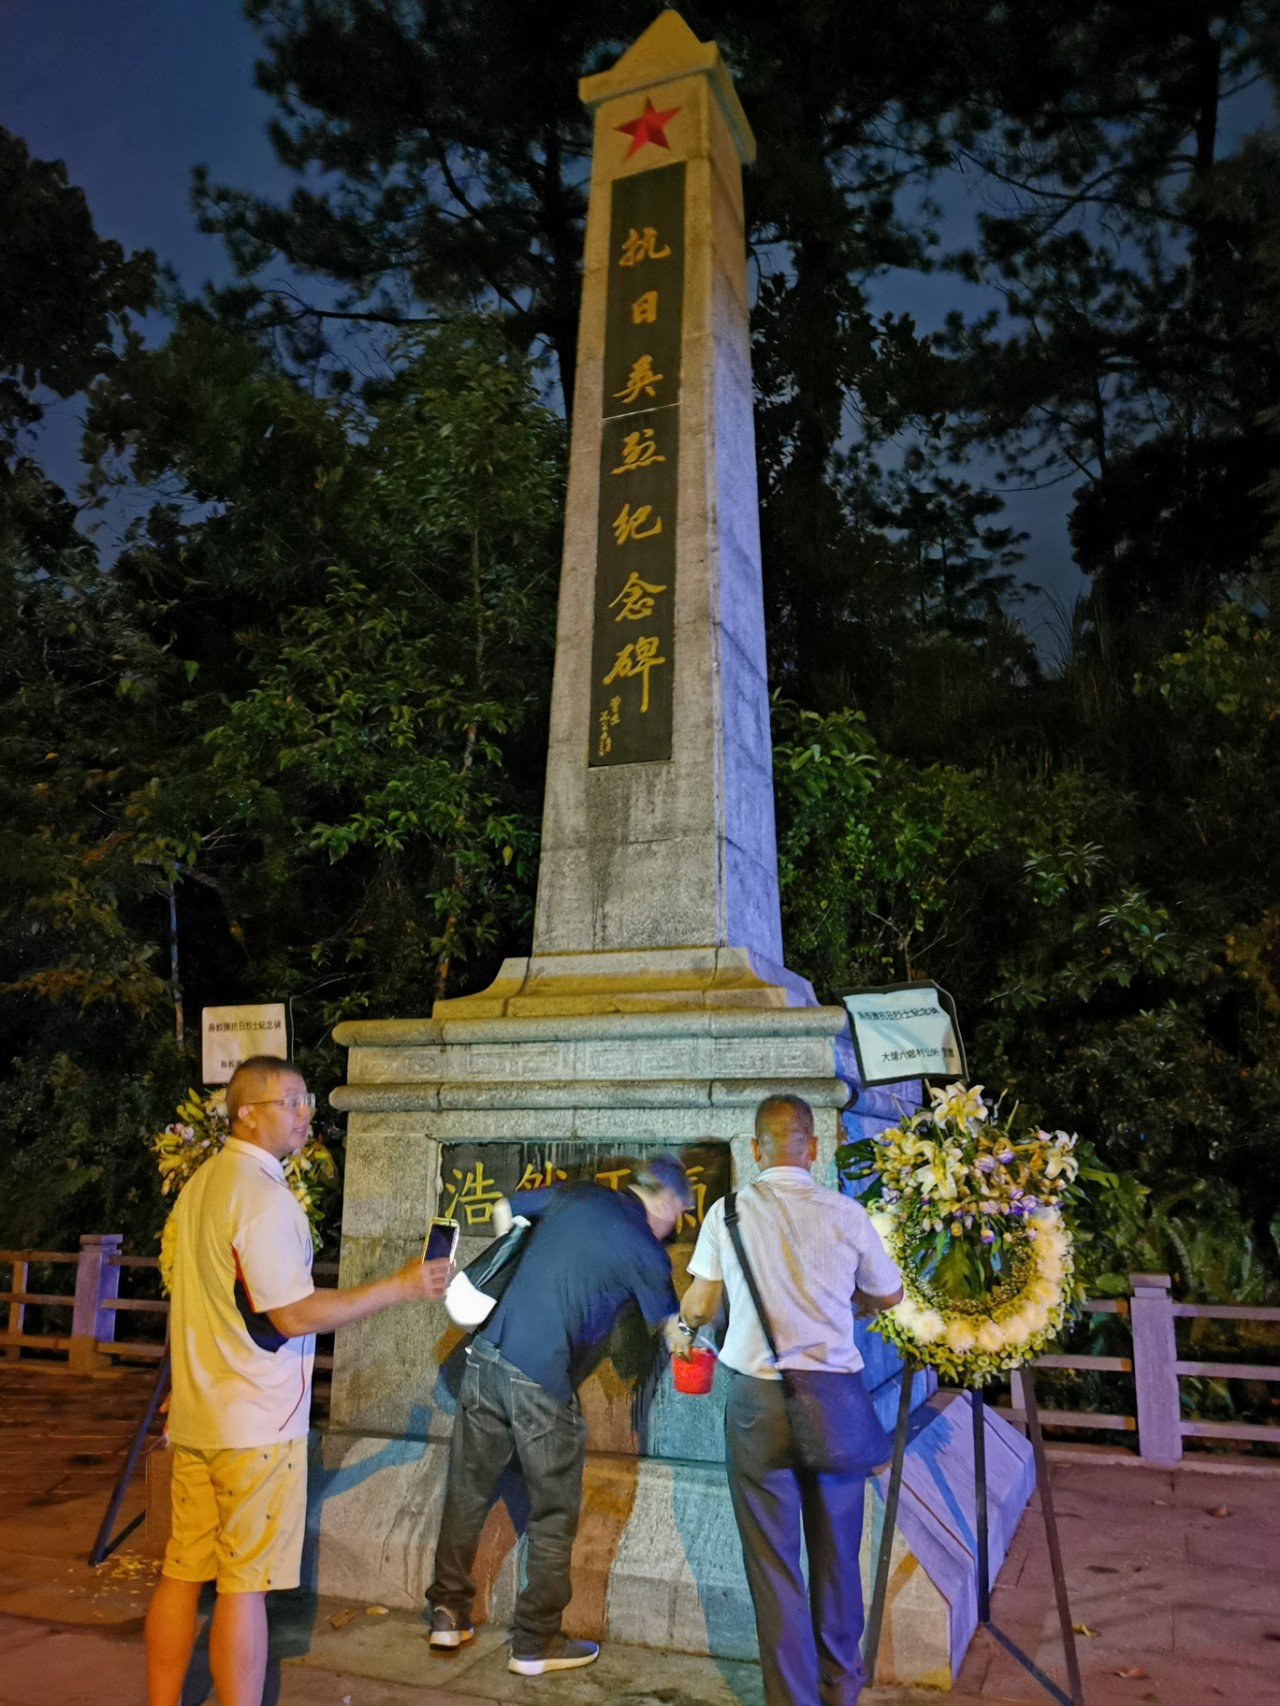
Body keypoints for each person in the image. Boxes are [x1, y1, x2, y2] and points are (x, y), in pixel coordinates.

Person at [145, 1055, 452, 1706]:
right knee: (242, 1586)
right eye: (290, 1101)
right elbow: (291, 1313)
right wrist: (399, 1285)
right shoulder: (262, 1197)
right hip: (256, 1423)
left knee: (180, 1571)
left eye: (306, 1099)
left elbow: (199, 1299)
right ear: (248, 1113)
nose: (305, 1112)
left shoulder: (202, 1183)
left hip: (199, 1417)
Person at [426, 1154, 693, 1676]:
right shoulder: (644, 1249)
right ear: (661, 1199)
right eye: (678, 1212)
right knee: (553, 1513)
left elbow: (504, 1210)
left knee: (465, 1493)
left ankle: (447, 1614)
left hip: (484, 1356)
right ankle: (535, 1641)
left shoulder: (581, 1194)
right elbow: (672, 1330)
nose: (674, 1225)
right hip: (539, 1380)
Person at [676, 1094, 903, 1706]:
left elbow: (700, 1306)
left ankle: (792, 1698)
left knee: (774, 1567)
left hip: (756, 1403)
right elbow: (889, 1294)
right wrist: (847, 1306)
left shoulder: (728, 1214)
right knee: (837, 1557)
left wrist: (683, 1330)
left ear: (755, 1150)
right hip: (833, 1402)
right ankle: (841, 1687)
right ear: (812, 1146)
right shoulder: (845, 1213)